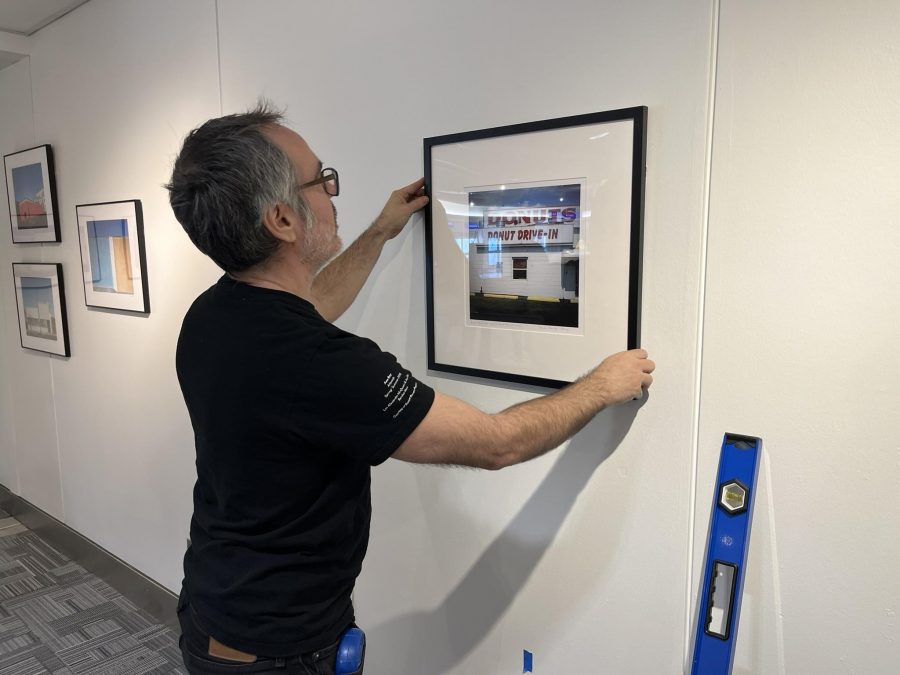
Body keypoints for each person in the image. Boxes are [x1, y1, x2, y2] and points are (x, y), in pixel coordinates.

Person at [166, 103, 654, 675]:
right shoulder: (321, 363)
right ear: (282, 220)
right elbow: (497, 444)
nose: (331, 191)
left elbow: (308, 310)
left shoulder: (215, 314)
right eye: (320, 180)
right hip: (277, 646)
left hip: (215, 603)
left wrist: (377, 233)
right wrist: (599, 385)